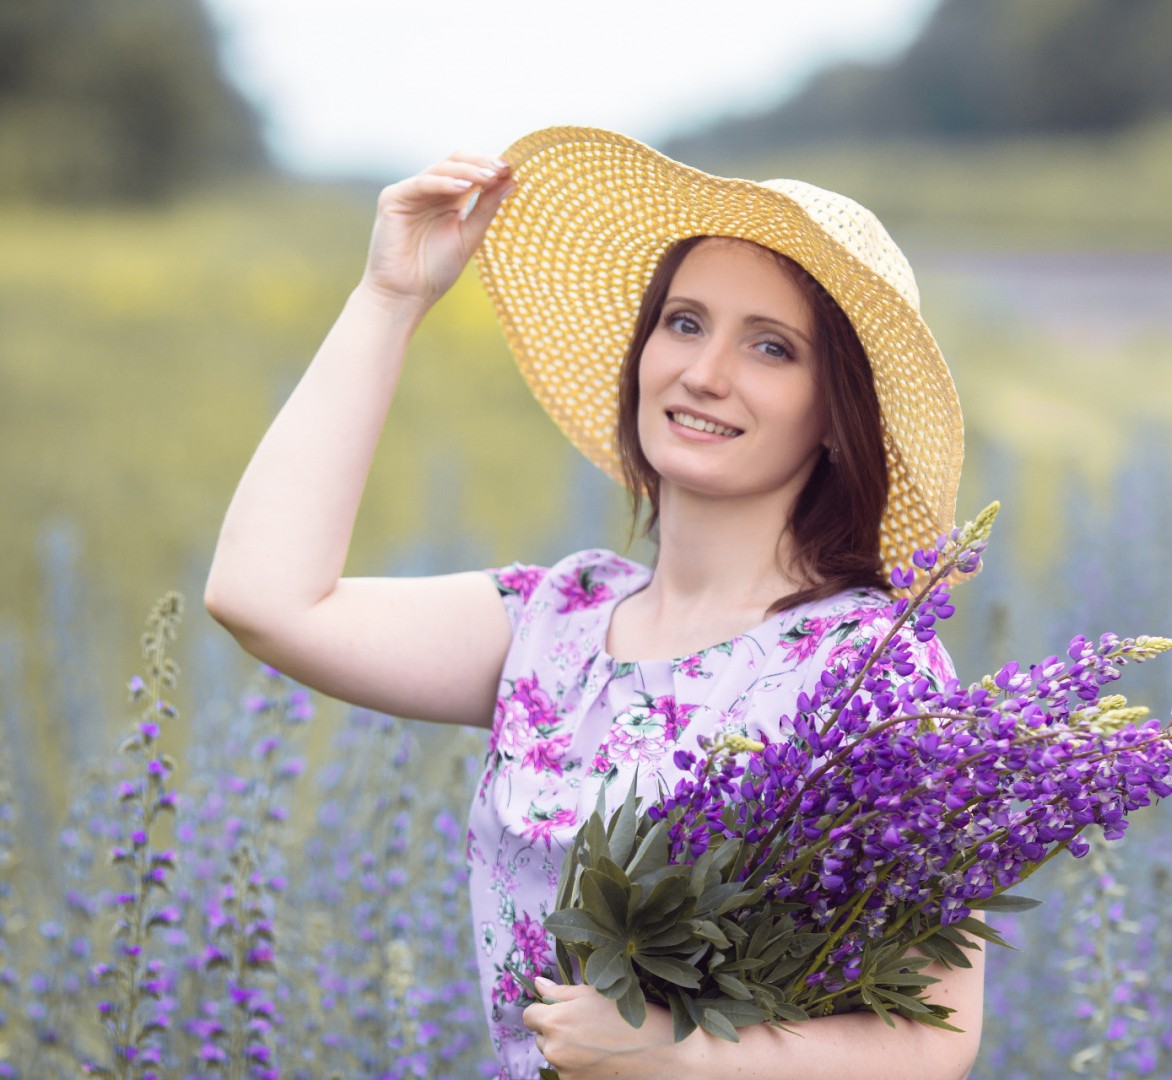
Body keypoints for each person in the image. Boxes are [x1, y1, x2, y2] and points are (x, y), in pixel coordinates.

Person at [204, 126, 975, 1080]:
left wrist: (677, 1058)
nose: (704, 372)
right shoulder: (557, 622)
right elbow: (262, 600)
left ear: (834, 413)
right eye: (684, 323)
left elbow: (934, 1039)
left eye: (771, 348)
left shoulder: (870, 669)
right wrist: (390, 297)